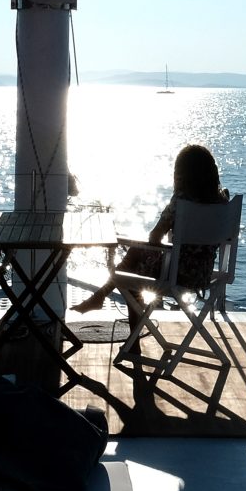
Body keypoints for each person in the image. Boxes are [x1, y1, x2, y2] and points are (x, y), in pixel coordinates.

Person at [75, 143, 231, 345]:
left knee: (131, 269)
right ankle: (101, 297)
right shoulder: (222, 203)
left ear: (182, 174)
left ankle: (128, 335)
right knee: (135, 257)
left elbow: (154, 237)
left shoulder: (181, 201)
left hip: (176, 274)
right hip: (203, 274)